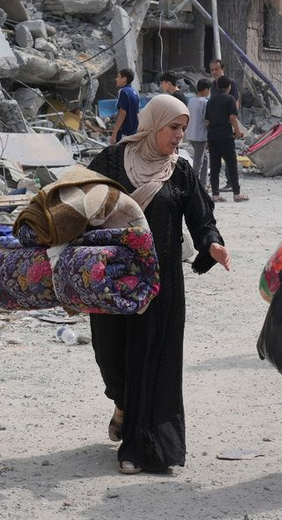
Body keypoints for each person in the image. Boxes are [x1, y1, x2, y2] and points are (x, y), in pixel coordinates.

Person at [87, 95, 231, 474]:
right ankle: (121, 403)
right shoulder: (111, 161)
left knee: (155, 362)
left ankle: (145, 448)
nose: (180, 135)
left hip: (159, 284)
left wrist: (212, 243)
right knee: (112, 356)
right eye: (174, 127)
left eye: (184, 128)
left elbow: (201, 217)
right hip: (112, 282)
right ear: (153, 125)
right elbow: (80, 205)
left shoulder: (179, 171)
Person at [205, 75, 247, 202]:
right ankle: (236, 193)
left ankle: (215, 194)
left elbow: (207, 121)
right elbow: (232, 117)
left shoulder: (210, 101)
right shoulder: (230, 99)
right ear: (229, 87)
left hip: (212, 136)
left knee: (215, 165)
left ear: (217, 87)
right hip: (226, 136)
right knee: (231, 164)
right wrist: (238, 132)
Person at [185, 78, 211, 190]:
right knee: (198, 162)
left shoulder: (191, 100)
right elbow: (207, 120)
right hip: (200, 135)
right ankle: (194, 187)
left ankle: (203, 184)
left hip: (191, 134)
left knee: (204, 159)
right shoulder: (205, 103)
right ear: (205, 90)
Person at [110, 68, 141, 144]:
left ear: (124, 79)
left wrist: (114, 133)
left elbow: (122, 113)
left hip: (125, 131)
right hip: (134, 131)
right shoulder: (134, 92)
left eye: (118, 77)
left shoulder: (123, 91)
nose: (116, 79)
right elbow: (137, 113)